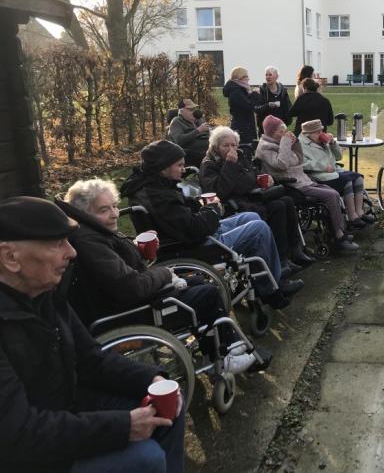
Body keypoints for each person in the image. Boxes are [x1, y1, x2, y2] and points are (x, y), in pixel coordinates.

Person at [0, 196, 184, 473]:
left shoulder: (45, 295)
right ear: (10, 257)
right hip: (27, 452)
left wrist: (151, 379)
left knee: (167, 411)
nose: (72, 252)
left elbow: (91, 359)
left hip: (68, 408)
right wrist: (124, 426)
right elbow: (20, 433)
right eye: (57, 243)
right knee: (146, 457)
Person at [59, 179, 268, 374]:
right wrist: (165, 274)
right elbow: (131, 286)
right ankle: (226, 354)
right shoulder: (90, 243)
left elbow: (117, 269)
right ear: (84, 212)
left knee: (196, 281)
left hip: (125, 299)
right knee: (208, 293)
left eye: (114, 206)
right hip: (129, 312)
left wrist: (136, 252)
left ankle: (220, 346)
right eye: (104, 210)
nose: (115, 214)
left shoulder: (93, 233)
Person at [120, 140, 303, 309]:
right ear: (163, 167)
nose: (183, 170)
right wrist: (213, 209)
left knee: (251, 216)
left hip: (193, 234)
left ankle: (269, 279)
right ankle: (271, 290)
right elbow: (193, 228)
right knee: (259, 229)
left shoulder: (158, 186)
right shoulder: (157, 196)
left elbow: (181, 212)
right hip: (191, 245)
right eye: (179, 165)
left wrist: (199, 205)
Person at [199, 126, 315, 272]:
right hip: (234, 204)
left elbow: (250, 177)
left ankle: (294, 249)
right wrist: (230, 165)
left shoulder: (240, 155)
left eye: (233, 145)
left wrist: (262, 180)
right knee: (277, 207)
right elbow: (219, 191)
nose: (230, 148)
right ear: (216, 146)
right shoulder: (209, 164)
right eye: (225, 145)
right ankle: (281, 259)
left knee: (286, 201)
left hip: (251, 195)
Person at [255, 115, 360, 251]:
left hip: (304, 181)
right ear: (271, 133)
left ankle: (338, 232)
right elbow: (282, 164)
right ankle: (338, 237)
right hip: (291, 185)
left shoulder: (281, 143)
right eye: (281, 131)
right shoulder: (265, 148)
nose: (284, 134)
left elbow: (299, 160)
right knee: (331, 195)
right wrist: (286, 143)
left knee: (333, 193)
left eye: (284, 131)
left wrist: (294, 144)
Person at [299, 119, 375, 228]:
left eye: (322, 131)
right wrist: (323, 167)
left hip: (335, 171)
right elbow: (303, 164)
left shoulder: (321, 141)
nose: (321, 134)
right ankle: (352, 216)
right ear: (307, 134)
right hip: (318, 176)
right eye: (317, 132)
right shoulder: (301, 145)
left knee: (358, 178)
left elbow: (339, 157)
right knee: (346, 182)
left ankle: (360, 212)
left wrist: (333, 143)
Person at [222, 66, 261, 149]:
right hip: (242, 128)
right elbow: (248, 106)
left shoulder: (239, 89)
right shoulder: (236, 91)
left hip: (244, 126)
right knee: (244, 149)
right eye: (247, 76)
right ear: (241, 77)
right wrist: (255, 94)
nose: (248, 79)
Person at [166, 98, 210, 168]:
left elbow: (207, 133)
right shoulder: (176, 122)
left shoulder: (198, 120)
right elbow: (179, 140)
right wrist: (198, 130)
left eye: (194, 109)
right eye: (190, 110)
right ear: (181, 111)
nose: (194, 112)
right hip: (189, 153)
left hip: (205, 147)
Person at [254, 66, 292, 137]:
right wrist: (268, 105)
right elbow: (257, 109)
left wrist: (287, 122)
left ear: (276, 76)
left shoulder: (283, 91)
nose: (268, 77)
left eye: (270, 75)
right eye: (266, 75)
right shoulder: (261, 91)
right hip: (265, 129)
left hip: (280, 128)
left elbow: (288, 107)